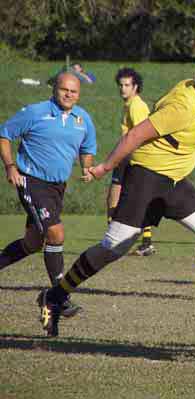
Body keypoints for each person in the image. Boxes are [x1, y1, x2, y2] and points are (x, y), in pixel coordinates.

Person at [37, 64, 195, 337]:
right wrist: (105, 167)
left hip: (172, 182)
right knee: (112, 248)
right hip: (146, 180)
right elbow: (134, 135)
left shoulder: (191, 88)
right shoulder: (182, 109)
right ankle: (55, 296)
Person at [0, 72, 97, 318]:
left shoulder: (82, 118)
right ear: (55, 89)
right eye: (64, 89)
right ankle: (59, 296)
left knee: (33, 242)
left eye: (73, 91)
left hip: (57, 187)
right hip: (31, 181)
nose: (68, 94)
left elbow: (87, 147)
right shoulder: (36, 112)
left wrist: (87, 166)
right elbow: (4, 134)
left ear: (79, 94)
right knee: (55, 233)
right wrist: (10, 166)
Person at [106, 67, 155, 256]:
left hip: (132, 157)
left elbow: (143, 134)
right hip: (129, 156)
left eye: (127, 85)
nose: (123, 89)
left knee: (114, 197)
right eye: (121, 85)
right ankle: (145, 242)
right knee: (133, 199)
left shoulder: (136, 106)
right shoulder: (130, 105)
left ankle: (112, 240)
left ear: (136, 87)